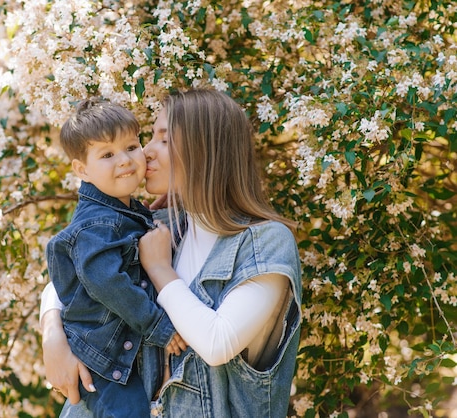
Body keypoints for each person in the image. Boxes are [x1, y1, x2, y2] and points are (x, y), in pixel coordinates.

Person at [41, 89, 302, 417]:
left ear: (205, 152)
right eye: (148, 139)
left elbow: (217, 342)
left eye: (163, 141)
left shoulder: (264, 243)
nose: (145, 152)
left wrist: (160, 270)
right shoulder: (159, 226)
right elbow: (83, 270)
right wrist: (52, 336)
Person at [44, 98, 185, 418]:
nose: (124, 160)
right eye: (107, 154)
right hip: (100, 362)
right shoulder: (98, 223)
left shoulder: (124, 213)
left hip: (112, 356)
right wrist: (158, 326)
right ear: (82, 170)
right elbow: (106, 281)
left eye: (131, 147)